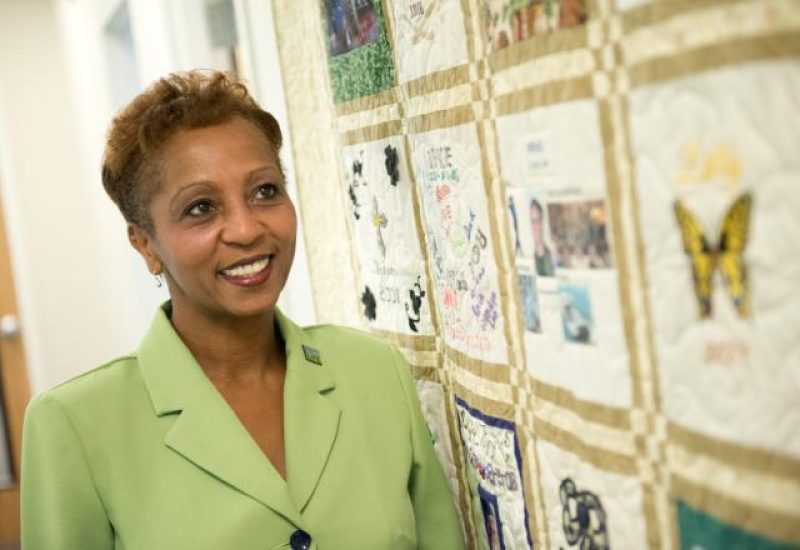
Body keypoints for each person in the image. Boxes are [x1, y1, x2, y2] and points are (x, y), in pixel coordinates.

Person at [21, 71, 465, 549]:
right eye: (201, 208)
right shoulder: (74, 424)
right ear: (145, 242)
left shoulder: (376, 372)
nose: (246, 229)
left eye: (265, 191)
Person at [529, 199, 555, 276]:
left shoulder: (551, 255)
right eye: (533, 222)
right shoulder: (530, 256)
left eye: (538, 221)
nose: (536, 227)